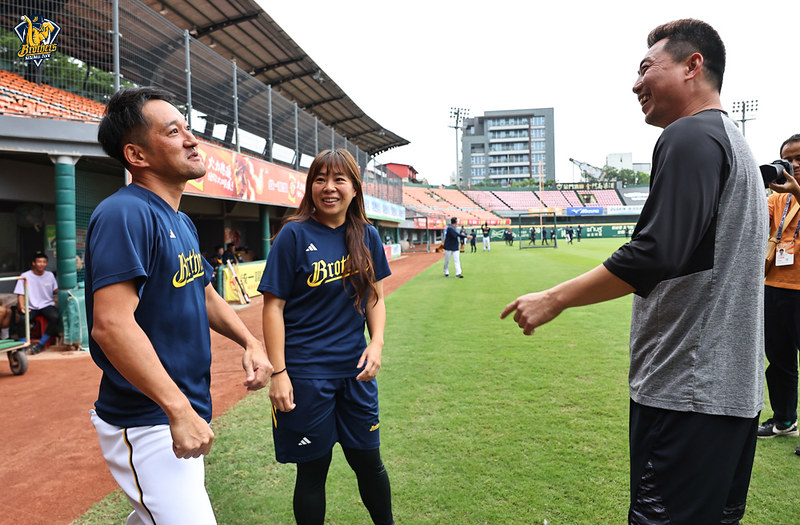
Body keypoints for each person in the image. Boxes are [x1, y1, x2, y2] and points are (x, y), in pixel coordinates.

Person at [501, 19, 765, 524]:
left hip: (686, 395)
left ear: (693, 66)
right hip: (731, 397)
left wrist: (555, 297)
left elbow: (655, 252)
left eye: (647, 68)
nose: (635, 83)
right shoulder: (734, 142)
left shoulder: (690, 134)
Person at [87, 86, 272, 524]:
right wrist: (177, 409)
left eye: (187, 128)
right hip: (146, 418)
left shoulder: (180, 219)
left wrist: (249, 340)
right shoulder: (124, 213)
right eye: (174, 131)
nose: (191, 139)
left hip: (179, 409)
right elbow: (111, 326)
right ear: (137, 154)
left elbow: (203, 291)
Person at [258, 148, 393, 525]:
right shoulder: (293, 235)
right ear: (310, 186)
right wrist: (279, 373)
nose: (328, 188)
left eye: (338, 180)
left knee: (369, 462)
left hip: (356, 371)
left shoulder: (367, 235)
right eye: (320, 179)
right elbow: (273, 308)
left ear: (354, 188)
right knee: (313, 471)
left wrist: (377, 341)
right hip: (305, 376)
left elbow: (374, 298)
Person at [760, 133, 800, 452]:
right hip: (773, 287)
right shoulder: (778, 198)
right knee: (779, 359)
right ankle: (784, 419)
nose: (794, 165)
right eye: (788, 159)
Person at [14, 251, 59, 354]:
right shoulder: (25, 276)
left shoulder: (50, 275)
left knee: (55, 317)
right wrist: (22, 307)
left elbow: (55, 290)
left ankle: (41, 344)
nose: (42, 264)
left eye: (44, 262)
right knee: (22, 319)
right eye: (39, 262)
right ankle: (22, 346)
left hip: (46, 305)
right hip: (31, 306)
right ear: (33, 263)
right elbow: (20, 294)